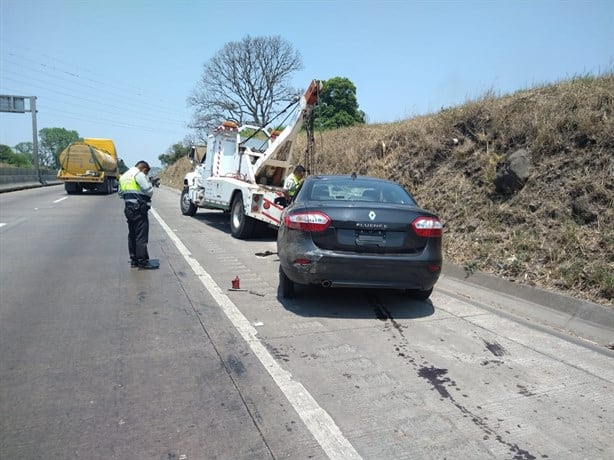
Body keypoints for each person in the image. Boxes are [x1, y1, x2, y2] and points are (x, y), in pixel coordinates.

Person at [118, 160, 158, 269]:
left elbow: (120, 193)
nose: (146, 175)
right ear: (143, 168)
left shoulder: (124, 176)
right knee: (141, 235)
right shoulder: (138, 174)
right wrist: (148, 182)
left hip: (128, 209)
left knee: (132, 235)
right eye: (146, 172)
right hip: (139, 209)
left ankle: (134, 260)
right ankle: (142, 261)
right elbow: (149, 190)